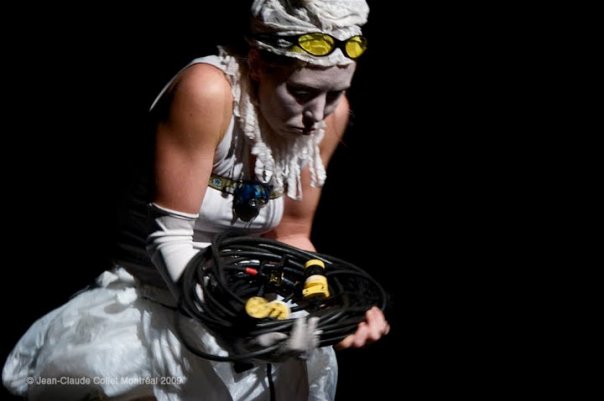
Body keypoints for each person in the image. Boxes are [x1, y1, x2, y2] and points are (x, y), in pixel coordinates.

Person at [3, 0, 389, 400]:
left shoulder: (328, 117)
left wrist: (334, 305)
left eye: (335, 94)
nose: (317, 116)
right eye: (302, 92)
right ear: (258, 64)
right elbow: (169, 238)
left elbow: (290, 236)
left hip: (248, 303)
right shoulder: (208, 91)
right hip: (154, 304)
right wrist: (234, 322)